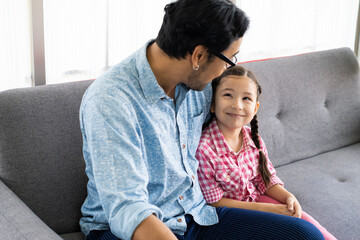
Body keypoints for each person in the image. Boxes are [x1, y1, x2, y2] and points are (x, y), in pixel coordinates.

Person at [79, 0, 325, 239]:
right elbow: (128, 209)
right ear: (198, 56)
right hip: (129, 229)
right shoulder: (110, 101)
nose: (225, 71)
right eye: (229, 60)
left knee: (306, 234)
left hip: (195, 215)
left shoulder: (201, 87)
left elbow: (233, 136)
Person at [196, 65, 337, 240]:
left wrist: (289, 197)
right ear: (212, 104)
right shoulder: (204, 149)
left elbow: (265, 178)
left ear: (255, 108)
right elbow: (215, 202)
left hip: (257, 199)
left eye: (246, 98)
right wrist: (271, 209)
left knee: (310, 225)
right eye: (227, 95)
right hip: (231, 215)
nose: (237, 105)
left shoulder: (253, 139)